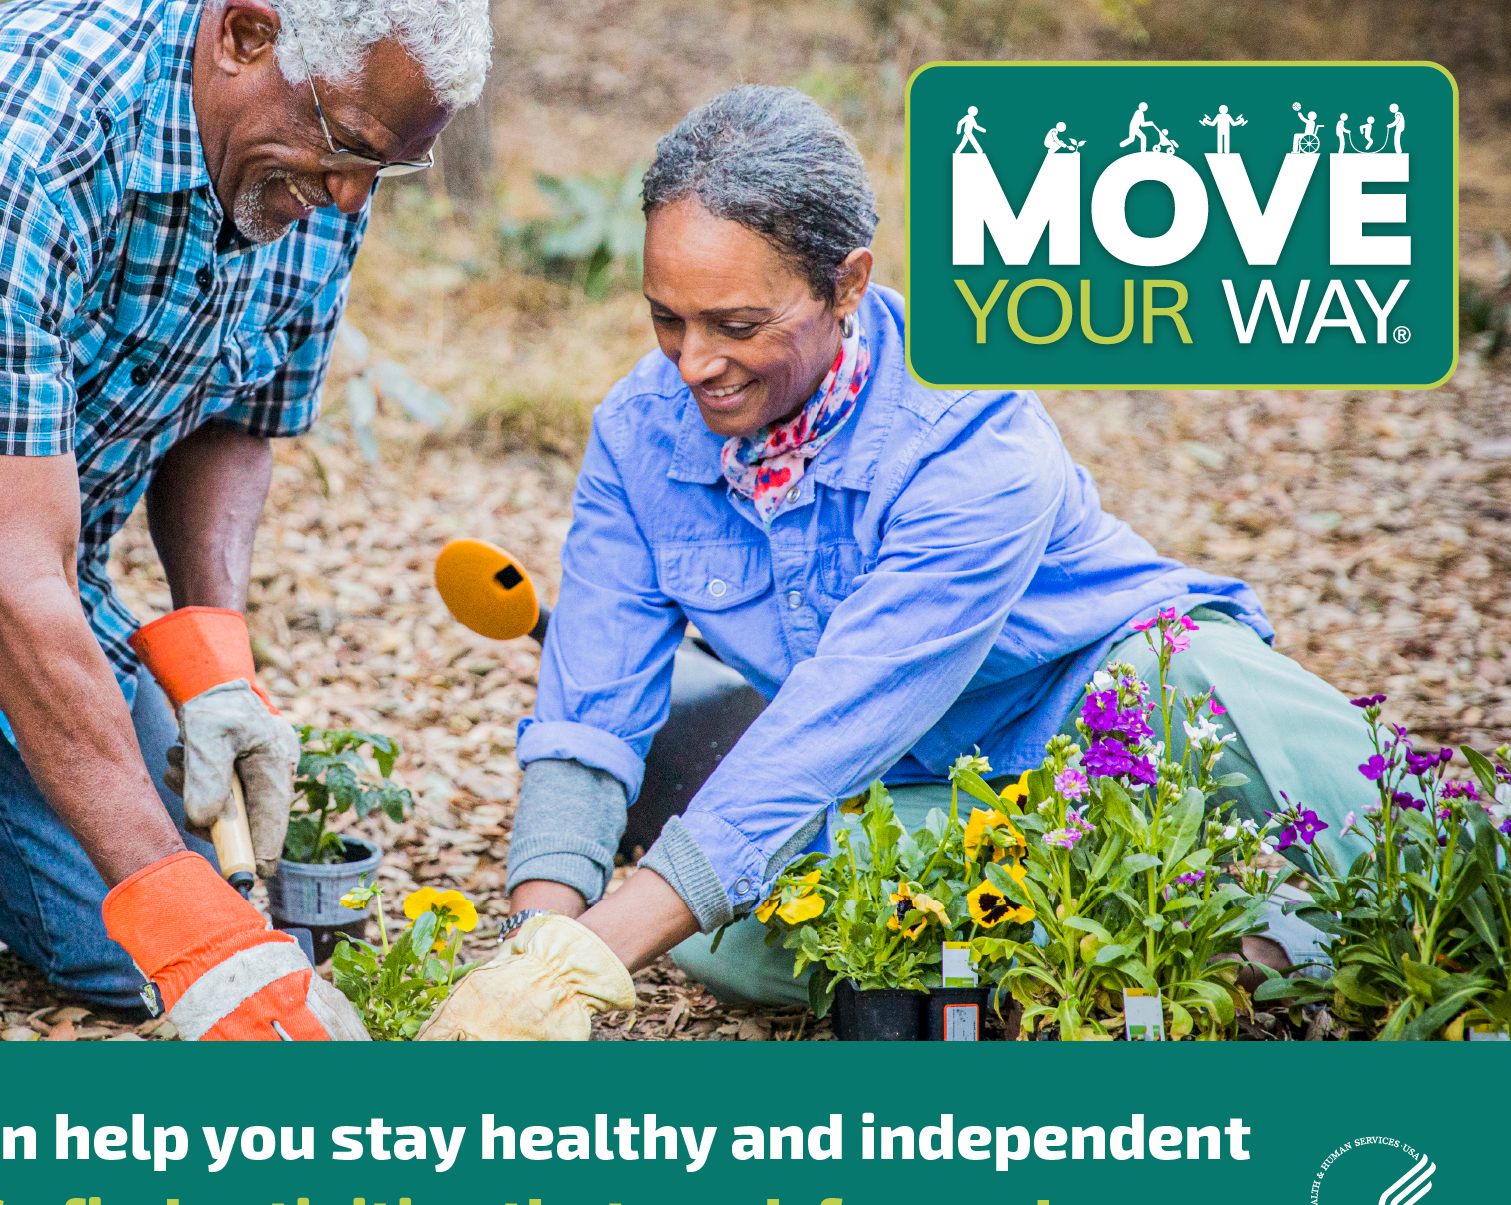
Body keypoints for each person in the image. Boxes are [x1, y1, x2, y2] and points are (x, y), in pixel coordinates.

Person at [419, 86, 1376, 1040]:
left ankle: (1224, 920)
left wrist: (596, 951)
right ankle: (1165, 936)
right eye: (667, 318)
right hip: (902, 786)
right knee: (721, 937)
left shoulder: (972, 431)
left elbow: (844, 707)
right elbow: (590, 709)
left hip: (1104, 713)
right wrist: (532, 944)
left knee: (1366, 811)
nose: (691, 363)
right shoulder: (641, 434)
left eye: (736, 325)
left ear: (847, 284)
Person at [0, 0, 490, 1039]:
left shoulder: (315, 157)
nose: (350, 193)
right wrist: (199, 937)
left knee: (126, 937)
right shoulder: (10, 149)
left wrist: (215, 659)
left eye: (386, 167)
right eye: (348, 148)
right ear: (246, 35)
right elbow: (12, 579)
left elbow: (235, 413)